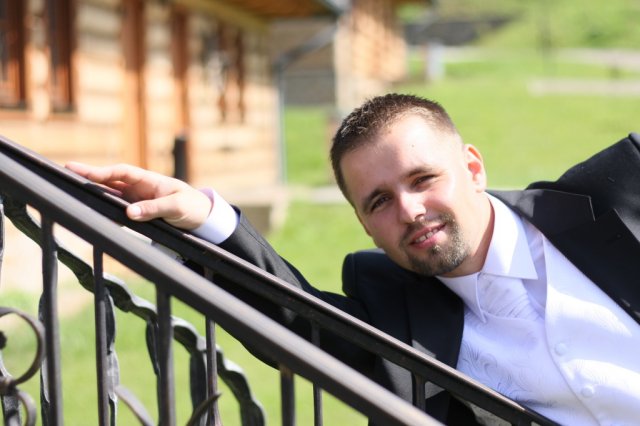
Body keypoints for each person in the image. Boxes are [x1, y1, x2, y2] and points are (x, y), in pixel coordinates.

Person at [66, 94, 640, 425]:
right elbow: (291, 319)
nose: (410, 211)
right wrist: (203, 219)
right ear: (364, 223)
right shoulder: (391, 312)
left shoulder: (620, 190)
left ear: (472, 167)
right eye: (379, 201)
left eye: (423, 178)